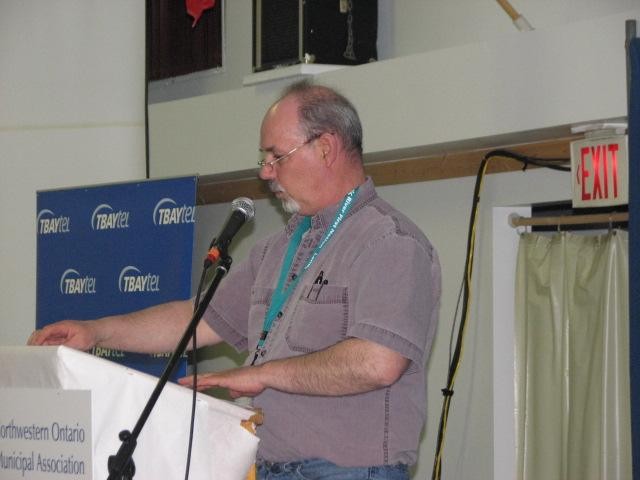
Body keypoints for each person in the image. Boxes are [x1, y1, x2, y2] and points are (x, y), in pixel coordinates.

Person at [28, 81, 441, 480]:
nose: (265, 171)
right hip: (262, 466)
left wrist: (262, 374)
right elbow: (195, 320)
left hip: (348, 473)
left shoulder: (388, 242)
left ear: (326, 148)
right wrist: (95, 332)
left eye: (276, 156)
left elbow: (378, 362)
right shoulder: (276, 249)